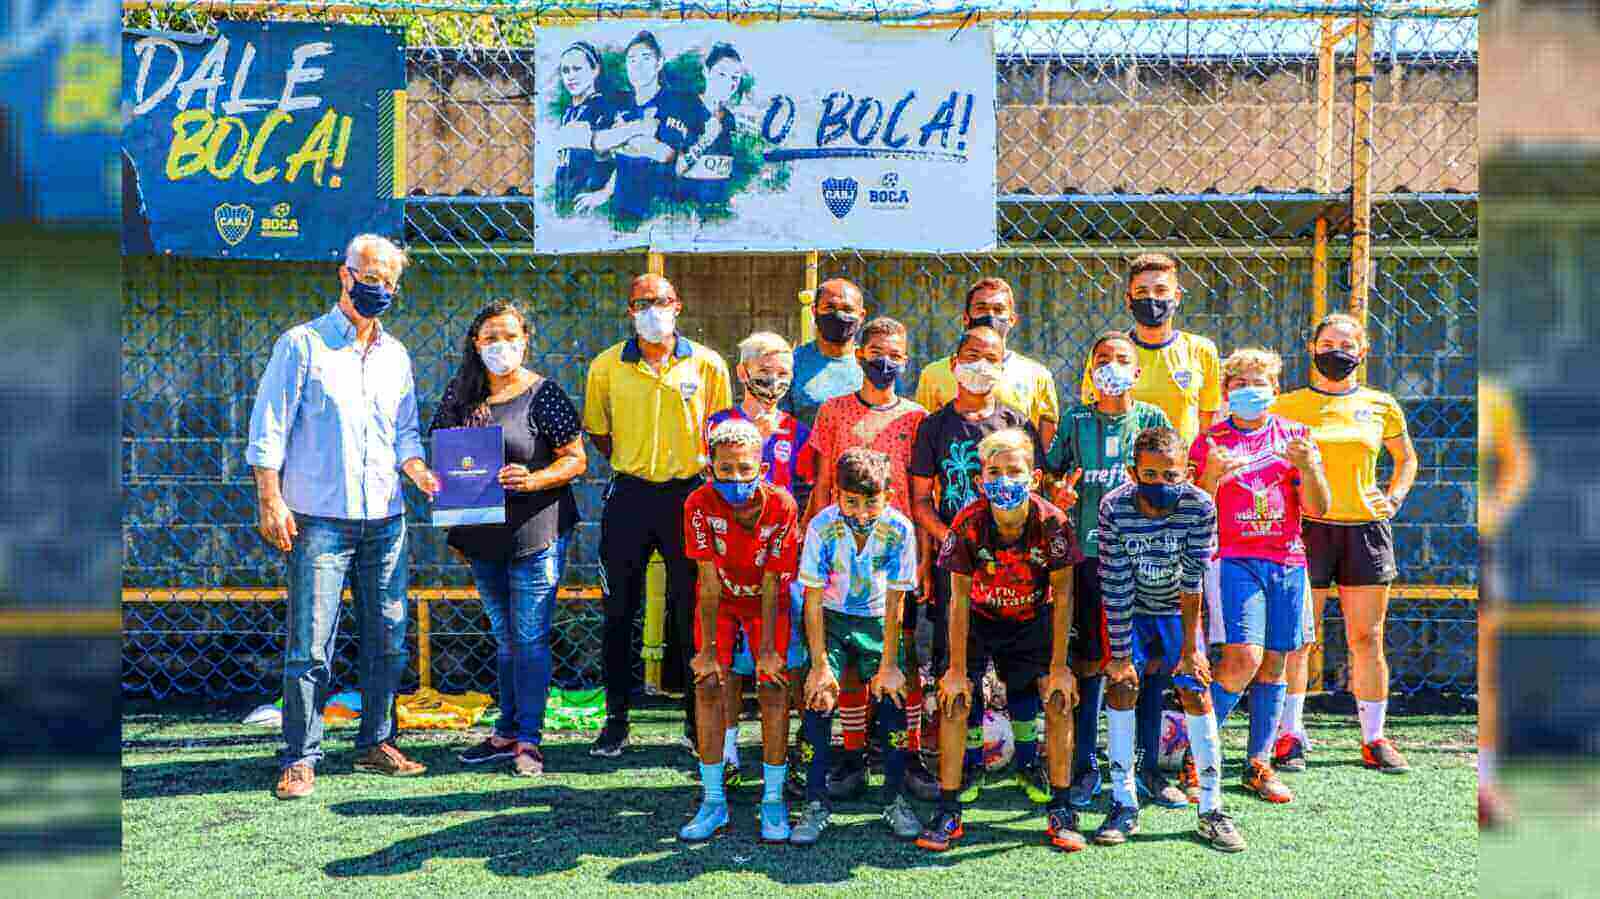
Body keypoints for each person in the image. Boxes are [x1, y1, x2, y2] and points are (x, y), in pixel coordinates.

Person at [247, 234, 440, 800]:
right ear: (345, 274)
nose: (379, 288)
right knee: (310, 643)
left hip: (387, 518)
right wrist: (270, 498)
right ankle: (300, 756)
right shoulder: (301, 345)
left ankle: (375, 741)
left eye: (390, 281)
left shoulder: (397, 356)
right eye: (370, 276)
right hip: (318, 520)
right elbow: (269, 428)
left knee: (389, 637)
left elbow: (404, 433)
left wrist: (421, 473)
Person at [429, 301, 586, 777]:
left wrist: (534, 479)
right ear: (475, 344)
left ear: (525, 340)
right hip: (482, 539)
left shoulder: (545, 394)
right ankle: (505, 731)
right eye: (490, 337)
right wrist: (452, 520)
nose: (500, 346)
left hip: (535, 534)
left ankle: (529, 741)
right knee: (504, 637)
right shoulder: (460, 394)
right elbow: (443, 457)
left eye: (509, 336)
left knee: (529, 637)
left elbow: (575, 459)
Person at [583, 273, 733, 758]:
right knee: (618, 610)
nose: (652, 310)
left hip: (688, 495)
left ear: (678, 306)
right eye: (641, 303)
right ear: (629, 311)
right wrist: (633, 460)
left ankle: (695, 720)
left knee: (692, 611)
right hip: (629, 494)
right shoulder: (606, 366)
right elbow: (599, 434)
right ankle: (616, 721)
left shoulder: (708, 364)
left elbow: (722, 430)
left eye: (660, 301)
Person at [915, 429, 1083, 853]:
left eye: (1014, 471)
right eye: (994, 472)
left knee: (1059, 695)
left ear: (1035, 477)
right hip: (979, 619)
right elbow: (956, 598)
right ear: (979, 479)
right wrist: (955, 670)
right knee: (955, 697)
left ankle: (1061, 808)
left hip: (1032, 619)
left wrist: (1061, 666)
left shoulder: (1053, 523)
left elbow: (1062, 595)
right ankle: (948, 809)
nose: (1004, 480)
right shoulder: (969, 523)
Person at [1273, 312, 1419, 774]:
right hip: (1306, 529)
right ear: (1312, 349)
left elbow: (1406, 459)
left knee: (1367, 637)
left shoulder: (1381, 404)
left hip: (1365, 531)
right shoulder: (1286, 405)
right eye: (1328, 342)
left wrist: (1393, 497)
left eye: (1346, 343)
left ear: (1363, 352)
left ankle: (1374, 738)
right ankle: (1289, 735)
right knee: (1299, 639)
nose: (1337, 351)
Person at [1189, 349, 1330, 807]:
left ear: (1274, 387)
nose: (1250, 389)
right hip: (1235, 559)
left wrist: (1308, 467)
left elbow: (1319, 507)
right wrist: (1209, 476)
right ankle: (1198, 754)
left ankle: (1258, 763)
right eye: (1239, 382)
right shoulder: (1209, 440)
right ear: (1227, 390)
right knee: (1242, 659)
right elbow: (1194, 509)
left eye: (1260, 381)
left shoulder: (1297, 436)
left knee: (1276, 662)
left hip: (1288, 561)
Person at [910, 324, 1045, 803]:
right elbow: (922, 501)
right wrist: (955, 544)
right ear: (953, 363)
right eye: (971, 354)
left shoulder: (1016, 424)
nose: (981, 365)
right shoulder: (935, 426)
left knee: (1022, 666)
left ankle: (1030, 764)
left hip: (1014, 569)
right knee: (960, 665)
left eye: (991, 357)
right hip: (960, 569)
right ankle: (967, 765)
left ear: (1003, 365)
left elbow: (1036, 494)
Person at [1095, 426, 1243, 852]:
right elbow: (1116, 582)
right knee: (1122, 685)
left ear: (1188, 473)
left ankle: (1212, 809)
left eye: (1170, 475)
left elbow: (1193, 579)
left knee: (1195, 688)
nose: (1160, 484)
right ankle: (1124, 801)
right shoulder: (1114, 507)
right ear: (1132, 471)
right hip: (1133, 607)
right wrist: (1122, 654)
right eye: (1150, 475)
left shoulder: (1199, 506)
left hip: (1179, 609)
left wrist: (1191, 650)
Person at [1044, 330, 1174, 810]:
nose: (1112, 366)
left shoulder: (1152, 420)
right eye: (1102, 359)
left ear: (1137, 372)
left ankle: (1148, 767)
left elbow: (1173, 483)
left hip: (1144, 558)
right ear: (1091, 370)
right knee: (1091, 663)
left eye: (1122, 359)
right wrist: (1060, 493)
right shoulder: (1076, 420)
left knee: (1149, 664)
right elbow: (1053, 474)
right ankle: (1086, 766)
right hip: (1091, 559)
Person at [803, 316, 932, 801]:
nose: (885, 361)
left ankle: (910, 752)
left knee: (904, 661)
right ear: (859, 353)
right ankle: (852, 754)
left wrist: (922, 552)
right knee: (853, 668)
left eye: (896, 354)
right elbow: (820, 484)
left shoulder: (917, 417)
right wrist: (813, 537)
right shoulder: (833, 412)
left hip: (894, 559)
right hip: (841, 557)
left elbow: (924, 490)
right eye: (877, 351)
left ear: (906, 359)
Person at [792, 448, 923, 845]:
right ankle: (814, 804)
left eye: (872, 502)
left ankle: (895, 798)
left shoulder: (900, 529)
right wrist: (819, 665)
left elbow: (896, 601)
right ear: (836, 493)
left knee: (893, 695)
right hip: (829, 618)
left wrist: (889, 663)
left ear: (889, 494)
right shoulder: (821, 526)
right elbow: (812, 598)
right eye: (852, 501)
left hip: (879, 619)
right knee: (819, 696)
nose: (862, 512)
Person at [679, 419, 801, 842]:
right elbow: (708, 582)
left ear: (761, 468)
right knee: (709, 683)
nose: (735, 478)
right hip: (720, 603)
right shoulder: (697, 502)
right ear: (710, 467)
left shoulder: (782, 504)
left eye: (745, 469)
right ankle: (713, 802)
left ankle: (773, 800)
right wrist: (711, 649)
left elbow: (772, 581)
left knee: (772, 684)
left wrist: (766, 648)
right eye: (725, 469)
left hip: (768, 602)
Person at [707, 332, 811, 787]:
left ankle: (789, 754)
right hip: (729, 562)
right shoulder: (718, 424)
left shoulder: (798, 430)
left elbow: (807, 493)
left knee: (785, 658)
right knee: (727, 660)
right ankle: (727, 751)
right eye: (765, 371)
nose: (773, 380)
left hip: (782, 563)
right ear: (743, 372)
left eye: (783, 373)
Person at [1077, 253, 1222, 449]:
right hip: (1123, 467)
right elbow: (1094, 416)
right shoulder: (1108, 351)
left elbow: (1207, 421)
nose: (1152, 298)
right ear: (1129, 300)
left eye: (1161, 290)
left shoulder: (1201, 350)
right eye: (1142, 292)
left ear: (1177, 297)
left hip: (1179, 467)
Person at [1476, 375, 1532, 828]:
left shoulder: (1493, 396)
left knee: (1485, 662)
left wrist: (1495, 510)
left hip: (1483, 543)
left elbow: (1517, 465)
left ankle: (1485, 784)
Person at [915, 277, 1061, 449]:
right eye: (981, 308)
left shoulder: (1037, 375)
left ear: (1012, 320)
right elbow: (924, 435)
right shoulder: (933, 374)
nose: (990, 316)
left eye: (999, 309)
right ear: (965, 318)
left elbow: (1045, 437)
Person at [591, 31, 695, 225]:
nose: (637, 66)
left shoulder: (674, 102)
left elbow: (664, 154)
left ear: (659, 63)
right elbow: (598, 143)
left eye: (645, 59)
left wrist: (620, 138)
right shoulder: (620, 102)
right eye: (631, 60)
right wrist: (640, 128)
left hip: (662, 211)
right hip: (622, 209)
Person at [675, 43, 744, 211]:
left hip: (717, 214)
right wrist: (705, 140)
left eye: (735, 77)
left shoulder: (728, 118)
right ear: (706, 72)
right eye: (721, 74)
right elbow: (672, 171)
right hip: (684, 212)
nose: (729, 82)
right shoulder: (684, 109)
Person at [552, 41, 617, 213]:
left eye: (577, 69)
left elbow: (627, 160)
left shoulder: (603, 107)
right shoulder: (568, 113)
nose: (571, 76)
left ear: (595, 70)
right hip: (566, 206)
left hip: (593, 210)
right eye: (565, 71)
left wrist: (605, 193)